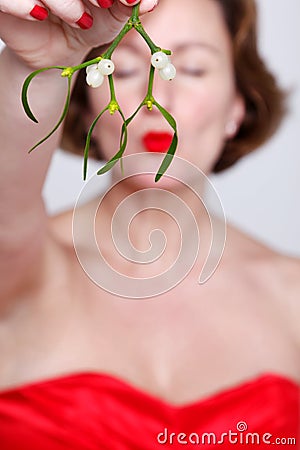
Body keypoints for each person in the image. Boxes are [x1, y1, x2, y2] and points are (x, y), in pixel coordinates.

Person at [0, 0, 299, 448]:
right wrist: (38, 66)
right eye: (121, 72)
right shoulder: (22, 271)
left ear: (238, 107)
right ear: (85, 108)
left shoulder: (291, 299)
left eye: (193, 69)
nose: (156, 100)